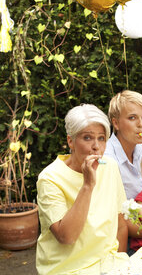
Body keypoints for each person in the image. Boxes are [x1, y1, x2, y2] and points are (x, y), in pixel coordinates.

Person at [36, 104, 129, 274]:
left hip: (109, 264)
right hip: (67, 269)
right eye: (87, 138)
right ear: (70, 141)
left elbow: (120, 225)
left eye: (101, 138)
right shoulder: (49, 178)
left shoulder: (110, 167)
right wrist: (87, 185)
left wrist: (120, 265)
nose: (96, 146)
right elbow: (67, 237)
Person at [105, 90, 142, 199]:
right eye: (132, 118)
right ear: (116, 123)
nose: (141, 124)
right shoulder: (107, 157)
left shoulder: (140, 148)